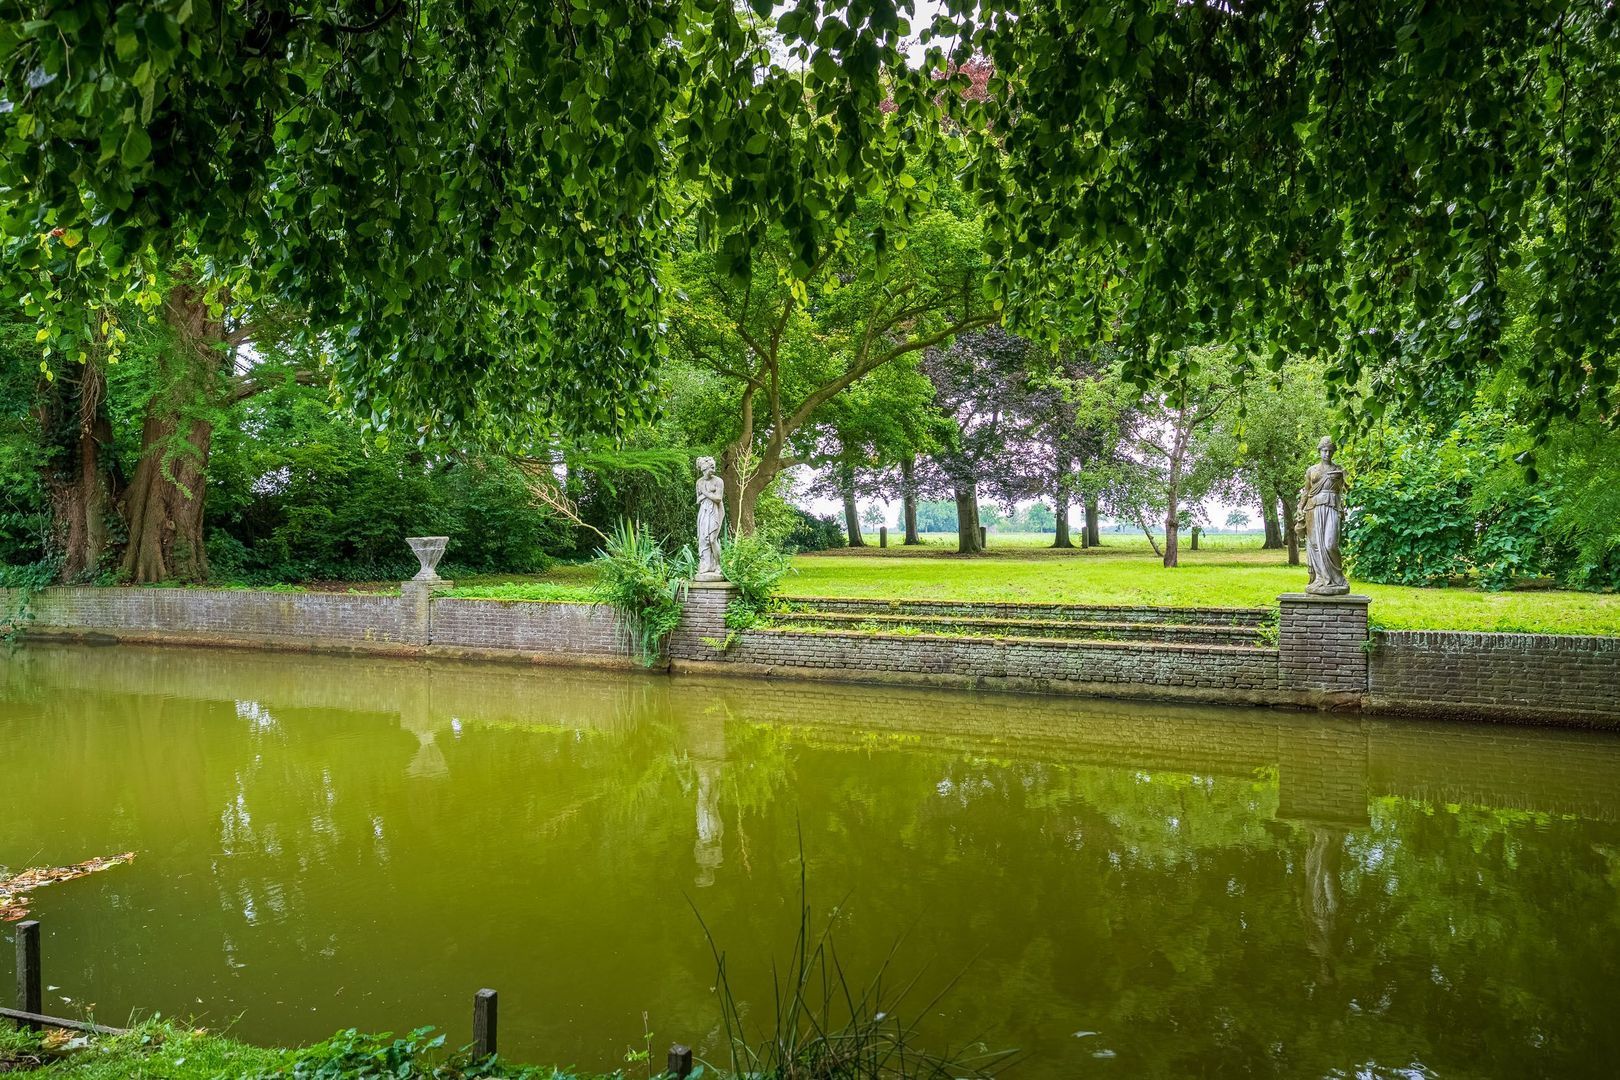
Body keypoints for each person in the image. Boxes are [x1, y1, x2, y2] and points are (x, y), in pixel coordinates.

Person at [1297, 436, 1349, 595]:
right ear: (1319, 451)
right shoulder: (1312, 470)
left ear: (1333, 452)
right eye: (1324, 450)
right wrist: (1300, 507)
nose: (1327, 454)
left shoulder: (1339, 469)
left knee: (1330, 544)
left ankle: (1338, 579)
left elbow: (1348, 488)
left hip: (1332, 506)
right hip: (1313, 508)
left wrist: (1343, 477)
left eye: (1330, 451)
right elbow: (1306, 491)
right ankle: (1320, 579)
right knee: (1316, 545)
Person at [695, 456, 725, 580]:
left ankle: (718, 565)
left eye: (713, 466)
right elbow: (698, 499)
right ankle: (707, 565)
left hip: (716, 511)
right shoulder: (699, 482)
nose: (713, 469)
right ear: (704, 469)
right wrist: (705, 495)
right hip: (704, 510)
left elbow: (718, 498)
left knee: (712, 539)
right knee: (704, 539)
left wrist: (705, 493)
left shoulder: (718, 481)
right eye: (711, 467)